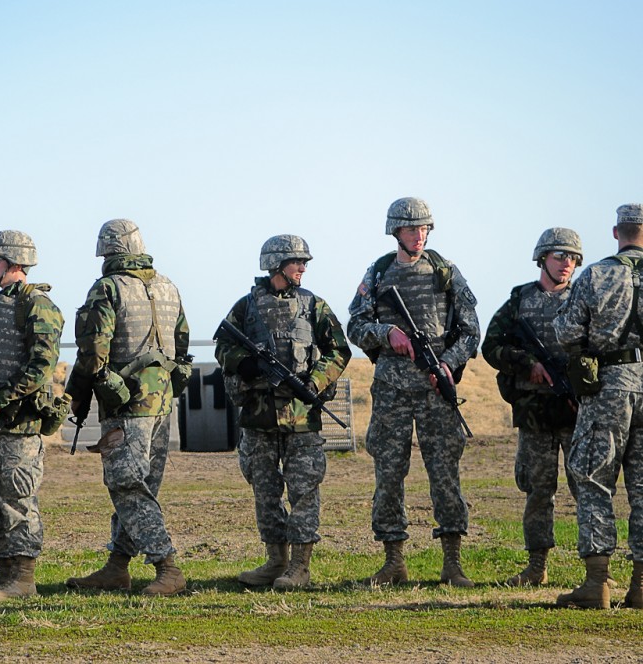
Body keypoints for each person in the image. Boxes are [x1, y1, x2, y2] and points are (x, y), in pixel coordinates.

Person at [347, 197, 481, 587]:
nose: (419, 236)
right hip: (391, 389)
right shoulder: (378, 273)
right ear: (396, 232)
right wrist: (385, 333)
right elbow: (354, 325)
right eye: (411, 229)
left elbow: (472, 330)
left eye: (424, 229)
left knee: (444, 474)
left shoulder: (445, 271)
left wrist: (447, 363)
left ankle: (452, 563)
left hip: (435, 388)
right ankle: (393, 561)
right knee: (388, 473)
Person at [214, 235, 350, 589]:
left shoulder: (314, 306)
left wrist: (316, 382)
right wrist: (244, 365)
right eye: (297, 263)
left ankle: (300, 567)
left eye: (303, 263)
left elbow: (339, 350)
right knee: (264, 489)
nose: (303, 268)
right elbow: (224, 347)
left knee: (304, 489)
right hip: (258, 418)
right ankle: (276, 561)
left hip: (302, 418)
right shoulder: (246, 307)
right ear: (276, 265)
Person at [64, 219, 192, 596]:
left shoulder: (107, 288)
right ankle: (117, 568)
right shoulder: (168, 287)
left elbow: (92, 352)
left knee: (127, 487)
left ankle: (167, 568)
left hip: (126, 406)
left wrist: (79, 394)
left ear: (107, 250)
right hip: (161, 403)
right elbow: (181, 344)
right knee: (143, 486)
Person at [0, 231, 66, 601]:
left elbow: (42, 366)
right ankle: (4, 571)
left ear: (14, 262)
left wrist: (3, 398)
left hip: (19, 421)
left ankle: (23, 578)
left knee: (17, 497)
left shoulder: (39, 305)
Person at [554, 203, 643, 610]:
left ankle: (597, 583)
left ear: (616, 232)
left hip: (609, 385)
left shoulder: (598, 273)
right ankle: (641, 587)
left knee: (592, 477)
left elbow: (567, 331)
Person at [482, 228, 582, 586]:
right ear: (543, 258)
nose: (566, 263)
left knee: (585, 489)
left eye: (572, 257)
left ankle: (595, 570)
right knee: (538, 490)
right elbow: (491, 347)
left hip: (576, 412)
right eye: (559, 256)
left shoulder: (584, 298)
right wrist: (526, 364)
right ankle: (537, 567)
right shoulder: (519, 301)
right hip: (535, 413)